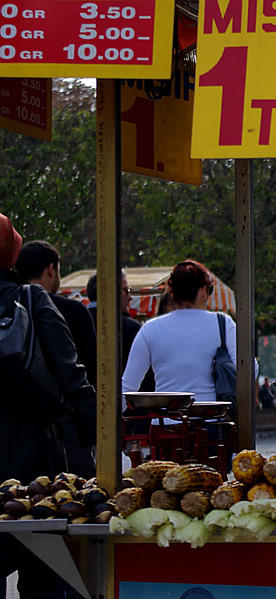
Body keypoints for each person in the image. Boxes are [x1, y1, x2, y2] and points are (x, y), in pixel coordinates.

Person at [0, 212, 96, 597]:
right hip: (34, 463)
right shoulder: (31, 297)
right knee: (42, 573)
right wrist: (93, 445)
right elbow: (71, 373)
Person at [14, 240, 97, 477]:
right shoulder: (72, 311)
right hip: (66, 426)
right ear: (51, 269)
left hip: (19, 425)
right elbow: (89, 369)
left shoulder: (9, 305)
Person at [121, 260, 237, 403]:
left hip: (164, 421)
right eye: (209, 290)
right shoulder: (224, 324)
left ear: (172, 293)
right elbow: (250, 370)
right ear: (202, 291)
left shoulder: (150, 329)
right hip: (209, 421)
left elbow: (127, 387)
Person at [86, 270, 142, 375]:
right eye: (127, 290)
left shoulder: (75, 321)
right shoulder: (130, 328)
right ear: (112, 291)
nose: (130, 297)